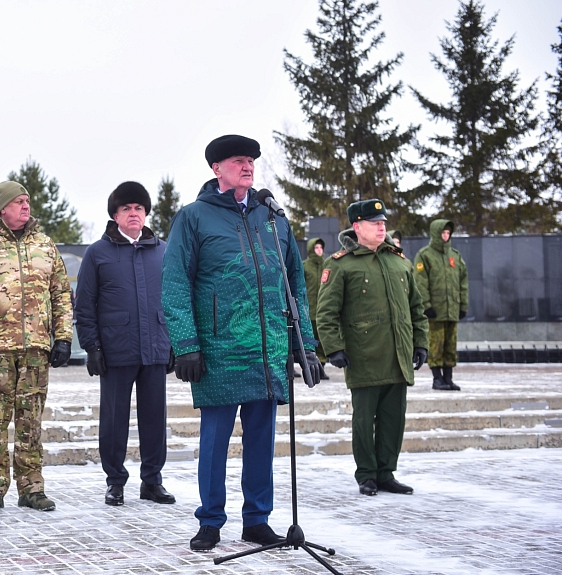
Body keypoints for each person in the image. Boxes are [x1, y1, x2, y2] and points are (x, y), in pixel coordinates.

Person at [161, 134, 322, 552]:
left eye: (251, 160)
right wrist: (186, 344)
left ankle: (257, 520)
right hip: (220, 351)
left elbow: (295, 286)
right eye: (238, 160)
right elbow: (175, 284)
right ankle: (210, 520)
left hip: (269, 349)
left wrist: (304, 344)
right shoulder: (193, 218)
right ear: (217, 169)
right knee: (215, 440)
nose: (248, 166)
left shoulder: (274, 218)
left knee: (261, 440)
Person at [0, 181, 73, 514]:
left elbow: (61, 294)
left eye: (27, 200)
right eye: (18, 201)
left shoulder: (45, 246)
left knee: (30, 421)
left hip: (36, 349)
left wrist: (63, 337)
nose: (25, 206)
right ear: (2, 208)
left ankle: (32, 488)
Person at [316, 199, 428, 497]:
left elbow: (416, 308)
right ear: (357, 226)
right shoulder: (340, 264)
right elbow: (326, 312)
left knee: (394, 418)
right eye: (374, 223)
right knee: (365, 420)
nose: (382, 227)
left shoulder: (399, 261)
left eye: (383, 222)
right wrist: (334, 348)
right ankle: (366, 474)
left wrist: (420, 343)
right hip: (363, 355)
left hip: (398, 355)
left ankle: (386, 472)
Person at [74, 181, 174, 508]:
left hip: (155, 347)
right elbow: (84, 305)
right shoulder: (98, 253)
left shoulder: (163, 251)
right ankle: (115, 481)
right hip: (116, 350)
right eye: (126, 208)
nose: (134, 213)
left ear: (146, 213)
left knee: (155, 419)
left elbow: (175, 299)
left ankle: (152, 481)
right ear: (115, 215)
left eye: (139, 208)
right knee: (114, 421)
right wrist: (92, 347)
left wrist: (175, 344)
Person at [413, 219, 468, 391]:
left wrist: (463, 306)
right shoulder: (425, 255)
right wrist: (426, 305)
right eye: (443, 233)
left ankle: (448, 379)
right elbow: (420, 282)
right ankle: (437, 378)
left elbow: (463, 282)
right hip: (435, 311)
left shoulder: (455, 256)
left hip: (452, 309)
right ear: (436, 233)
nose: (445, 236)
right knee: (436, 345)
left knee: (450, 345)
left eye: (448, 233)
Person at [302, 238, 331, 381]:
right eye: (316, 247)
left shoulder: (328, 266)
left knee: (322, 341)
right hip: (308, 311)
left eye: (321, 247)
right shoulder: (305, 266)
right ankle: (310, 368)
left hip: (323, 311)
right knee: (309, 341)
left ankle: (322, 366)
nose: (319, 250)